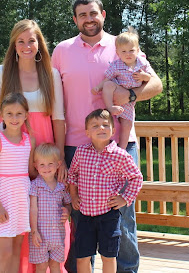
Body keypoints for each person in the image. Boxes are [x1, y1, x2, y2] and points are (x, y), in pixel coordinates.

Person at [52, 0, 162, 273]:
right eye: (82, 15)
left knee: (122, 213)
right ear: (75, 19)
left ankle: (126, 270)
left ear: (103, 14)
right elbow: (54, 100)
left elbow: (156, 84)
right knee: (79, 214)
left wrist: (130, 95)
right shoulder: (62, 50)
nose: (88, 19)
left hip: (120, 144)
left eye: (93, 13)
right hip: (76, 145)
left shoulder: (122, 45)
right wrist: (57, 148)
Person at [0, 19, 68, 272]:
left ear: (39, 43)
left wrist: (61, 158)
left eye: (31, 40)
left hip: (45, 147)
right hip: (14, 148)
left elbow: (59, 118)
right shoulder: (0, 73)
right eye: (20, 41)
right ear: (13, 45)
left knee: (47, 206)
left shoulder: (51, 74)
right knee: (20, 207)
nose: (26, 45)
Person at [67, 109, 143, 273]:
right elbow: (72, 175)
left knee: (108, 256)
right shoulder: (81, 152)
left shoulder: (120, 155)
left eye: (105, 125)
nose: (101, 128)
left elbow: (136, 177)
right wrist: (73, 195)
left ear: (113, 130)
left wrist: (125, 198)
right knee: (82, 257)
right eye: (95, 125)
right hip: (85, 215)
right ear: (87, 132)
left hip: (108, 216)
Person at [0, 92, 36, 273]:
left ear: (26, 115)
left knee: (16, 250)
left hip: (21, 200)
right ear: (2, 115)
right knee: (5, 252)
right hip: (3, 200)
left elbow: (30, 172)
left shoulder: (29, 140)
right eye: (10, 114)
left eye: (19, 113)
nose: (14, 118)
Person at [92, 28, 154, 149]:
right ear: (118, 52)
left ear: (137, 50)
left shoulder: (142, 63)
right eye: (124, 51)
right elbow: (107, 78)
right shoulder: (116, 65)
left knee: (127, 125)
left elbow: (150, 79)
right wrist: (98, 87)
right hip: (117, 88)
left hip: (129, 101)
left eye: (131, 50)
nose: (128, 54)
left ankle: (122, 150)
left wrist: (144, 76)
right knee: (108, 85)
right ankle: (110, 107)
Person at [30, 143, 72, 273]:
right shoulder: (35, 185)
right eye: (42, 164)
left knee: (55, 265)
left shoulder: (62, 186)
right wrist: (34, 231)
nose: (46, 168)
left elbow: (68, 203)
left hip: (57, 235)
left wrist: (67, 211)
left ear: (58, 164)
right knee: (41, 266)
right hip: (39, 235)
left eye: (50, 164)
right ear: (36, 166)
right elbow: (33, 209)